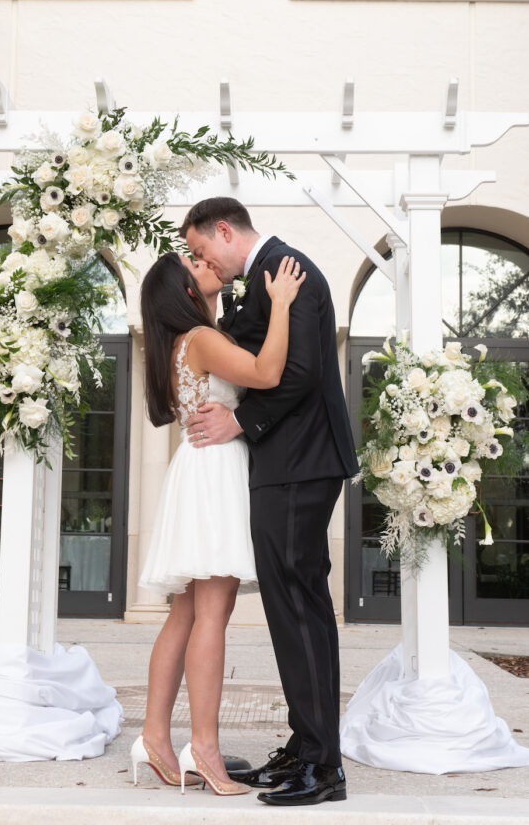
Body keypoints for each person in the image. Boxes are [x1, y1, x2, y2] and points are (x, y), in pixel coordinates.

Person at [181, 197, 359, 808]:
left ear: (224, 230)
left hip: (299, 465)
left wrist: (242, 423)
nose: (207, 262)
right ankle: (308, 746)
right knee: (292, 607)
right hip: (289, 466)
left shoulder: (287, 270)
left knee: (300, 606)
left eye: (204, 251)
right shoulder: (264, 277)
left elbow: (303, 370)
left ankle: (321, 766)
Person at [131, 249, 305, 797]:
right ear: (185, 290)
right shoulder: (203, 340)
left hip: (199, 468)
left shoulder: (182, 343)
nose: (206, 262)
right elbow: (268, 372)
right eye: (194, 264)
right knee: (211, 612)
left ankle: (155, 737)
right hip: (215, 473)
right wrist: (279, 305)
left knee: (186, 610)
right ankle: (203, 748)